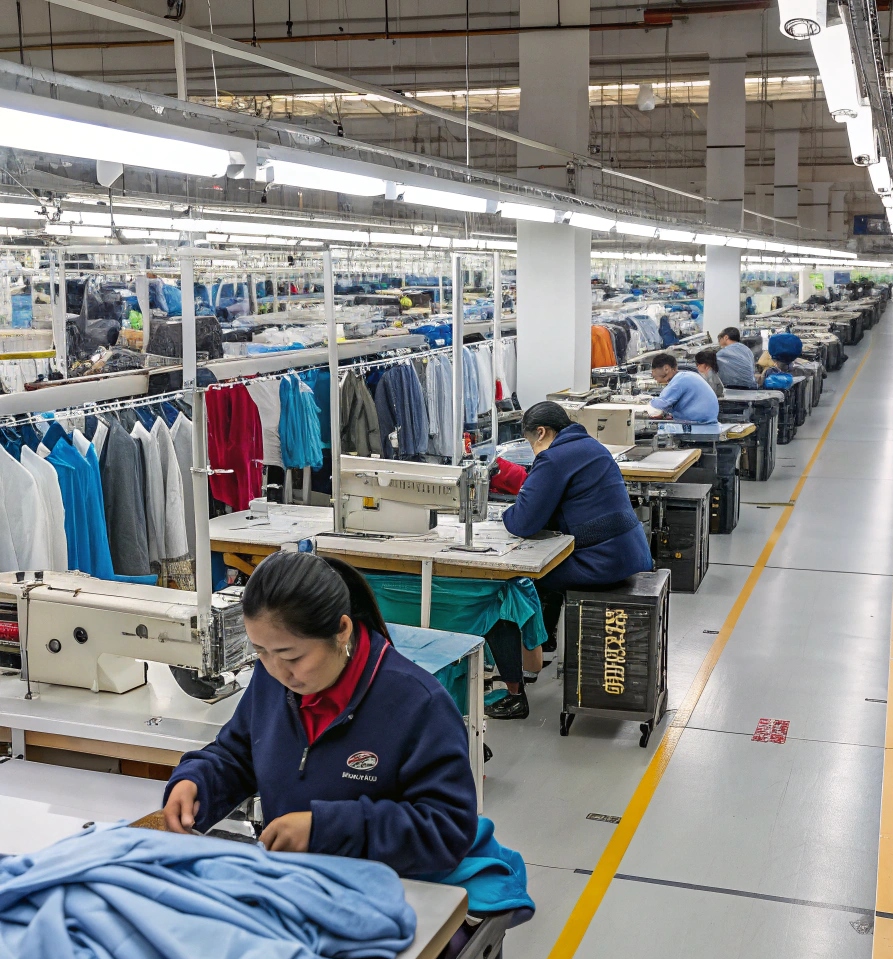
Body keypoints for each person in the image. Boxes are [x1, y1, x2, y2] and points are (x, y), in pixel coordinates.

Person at [163, 551, 478, 876]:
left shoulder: (418, 704)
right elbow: (239, 753)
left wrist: (325, 830)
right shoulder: (272, 680)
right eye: (261, 652)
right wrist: (196, 781)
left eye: (291, 656)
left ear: (342, 629)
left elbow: (447, 829)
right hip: (294, 883)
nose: (276, 670)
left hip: (387, 893)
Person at [494, 402, 653, 720]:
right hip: (628, 552)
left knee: (512, 586)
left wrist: (503, 513)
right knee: (545, 574)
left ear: (541, 433)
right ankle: (544, 644)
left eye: (531, 444)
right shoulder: (589, 445)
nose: (533, 451)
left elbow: (523, 522)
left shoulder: (553, 457)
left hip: (602, 563)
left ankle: (518, 686)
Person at [647, 352, 720, 423]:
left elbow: (662, 403)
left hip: (700, 424)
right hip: (705, 421)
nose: (652, 375)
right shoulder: (685, 376)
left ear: (666, 369)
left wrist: (644, 403)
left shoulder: (680, 380)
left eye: (653, 371)